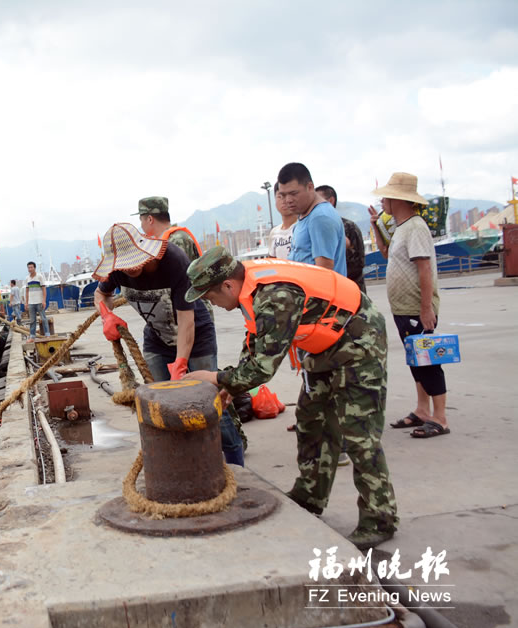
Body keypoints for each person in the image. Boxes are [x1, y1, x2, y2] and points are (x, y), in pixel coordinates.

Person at [183, 246, 398, 548]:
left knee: (359, 432)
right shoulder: (249, 289)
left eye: (210, 297)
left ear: (227, 285)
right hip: (323, 345)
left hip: (359, 339)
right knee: (311, 421)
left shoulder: (274, 296)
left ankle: (380, 518)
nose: (212, 303)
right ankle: (310, 495)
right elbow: (256, 341)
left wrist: (216, 377)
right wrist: (231, 386)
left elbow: (264, 366)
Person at [93, 222, 244, 466]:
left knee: (209, 400)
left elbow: (186, 320)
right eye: (123, 265)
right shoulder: (117, 269)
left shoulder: (173, 260)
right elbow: (101, 294)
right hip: (157, 337)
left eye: (134, 261)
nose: (129, 269)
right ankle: (179, 462)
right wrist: (106, 315)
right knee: (159, 403)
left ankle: (235, 459)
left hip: (196, 335)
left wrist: (182, 361)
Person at [135, 196, 248, 457]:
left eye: (142, 220)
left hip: (193, 329)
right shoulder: (158, 245)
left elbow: (187, 306)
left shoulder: (174, 244)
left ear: (149, 218)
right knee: (169, 400)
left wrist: (181, 359)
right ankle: (187, 456)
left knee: (208, 398)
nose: (142, 226)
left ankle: (232, 451)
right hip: (165, 332)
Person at [370, 173, 449, 438]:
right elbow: (385, 253)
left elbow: (424, 269)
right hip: (403, 308)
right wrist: (375, 226)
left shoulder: (415, 227)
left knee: (428, 361)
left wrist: (426, 308)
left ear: (398, 199)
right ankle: (422, 409)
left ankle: (440, 417)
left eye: (386, 197)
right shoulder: (401, 227)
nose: (382, 201)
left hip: (417, 308)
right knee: (416, 360)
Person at [278, 163, 346, 275]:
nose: (288, 200)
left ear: (310, 187)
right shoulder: (304, 215)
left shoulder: (320, 217)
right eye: (283, 195)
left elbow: (324, 272)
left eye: (293, 193)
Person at [316, 184, 367, 292]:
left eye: (317, 201)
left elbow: (359, 262)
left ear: (330, 201)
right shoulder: (316, 227)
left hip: (351, 289)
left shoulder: (349, 227)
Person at [268, 182, 297, 259]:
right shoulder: (274, 233)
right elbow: (272, 262)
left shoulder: (303, 227)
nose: (284, 201)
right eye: (280, 196)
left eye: (288, 196)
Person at [24, 262, 48, 342]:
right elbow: (27, 291)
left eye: (31, 267)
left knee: (43, 318)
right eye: (28, 268)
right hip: (31, 302)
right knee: (32, 320)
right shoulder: (27, 278)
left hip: (39, 302)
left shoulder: (39, 277)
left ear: (35, 268)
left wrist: (44, 301)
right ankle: (32, 337)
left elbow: (44, 289)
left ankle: (47, 335)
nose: (30, 269)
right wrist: (26, 302)